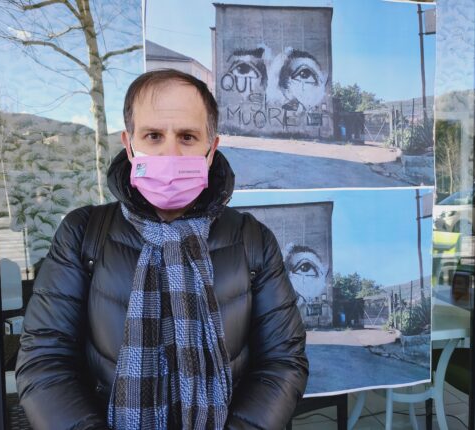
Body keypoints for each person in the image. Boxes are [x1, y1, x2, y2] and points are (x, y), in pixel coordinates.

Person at [16, 69, 308, 430]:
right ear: (129, 145)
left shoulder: (252, 239)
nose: (170, 152)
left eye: (187, 137)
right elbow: (44, 359)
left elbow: (283, 361)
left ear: (211, 149)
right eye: (153, 136)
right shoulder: (83, 233)